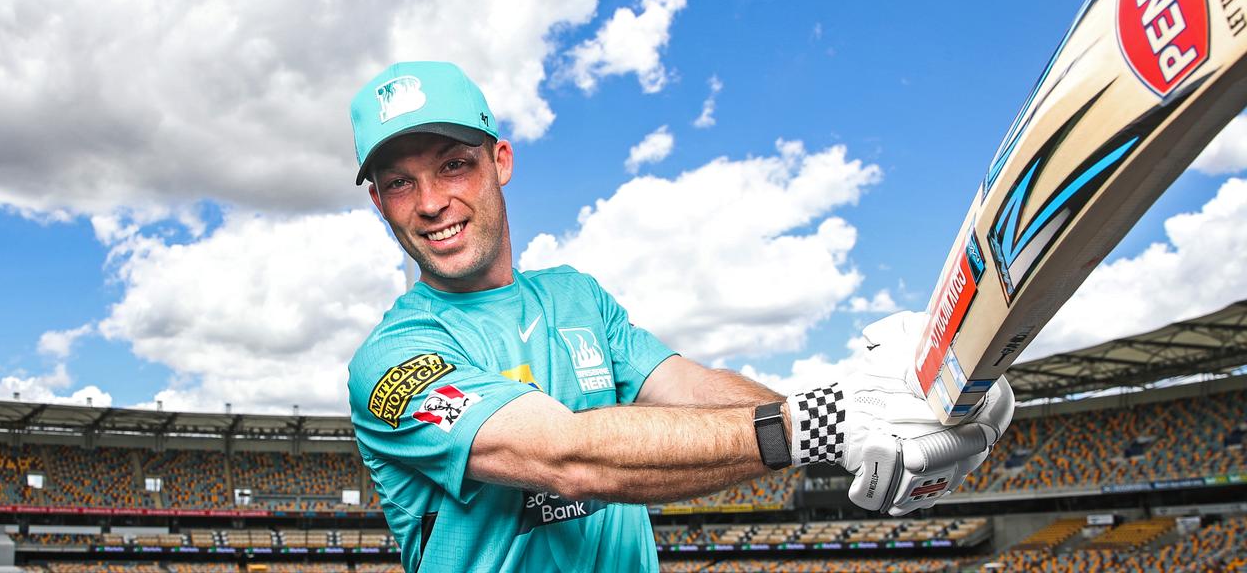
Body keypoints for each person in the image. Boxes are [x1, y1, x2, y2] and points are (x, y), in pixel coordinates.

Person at [346, 61, 1014, 573]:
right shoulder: (392, 361)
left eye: (453, 166)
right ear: (379, 202)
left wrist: (861, 418)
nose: (431, 201)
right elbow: (561, 455)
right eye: (401, 182)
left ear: (500, 161)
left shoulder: (575, 296)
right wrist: (814, 424)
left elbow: (691, 390)